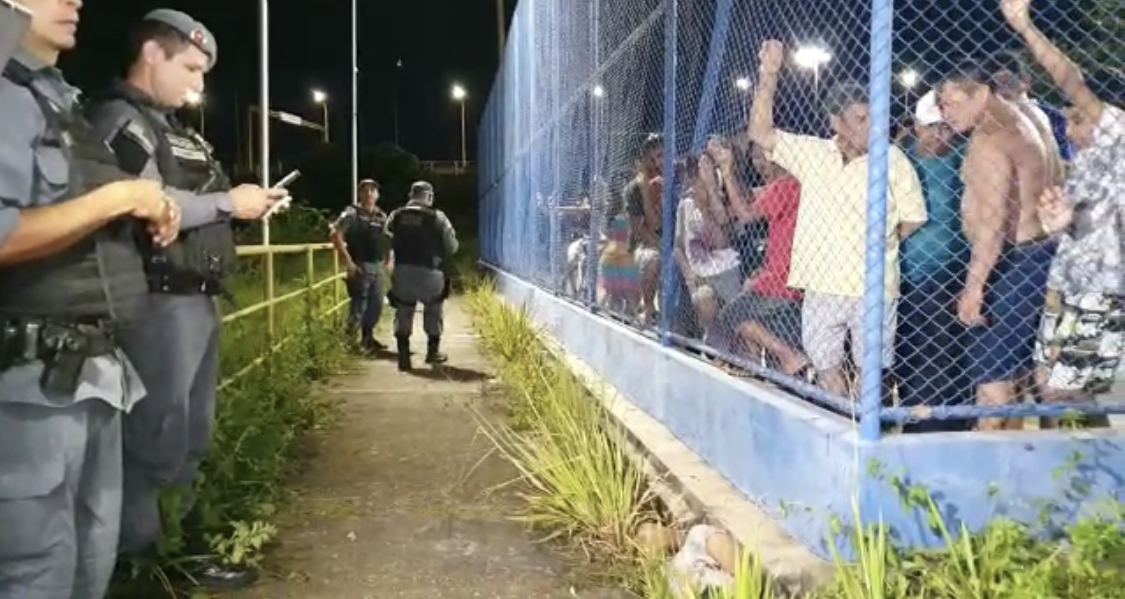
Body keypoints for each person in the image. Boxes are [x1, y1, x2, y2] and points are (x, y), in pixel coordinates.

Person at [86, 9, 280, 589]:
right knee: (153, 438)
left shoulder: (180, 132)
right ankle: (140, 563)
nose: (199, 82)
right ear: (153, 54)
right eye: (190, 67)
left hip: (197, 300)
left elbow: (188, 204)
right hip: (155, 302)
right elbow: (143, 199)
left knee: (191, 435)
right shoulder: (122, 123)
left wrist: (242, 208)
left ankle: (179, 549)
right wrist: (226, 206)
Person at [0, 1, 181, 596]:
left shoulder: (56, 101)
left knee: (85, 567)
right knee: (36, 572)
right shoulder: (7, 94)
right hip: (31, 388)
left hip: (91, 374)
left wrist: (144, 204)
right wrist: (118, 198)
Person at [748, 39, 928, 399]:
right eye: (861, 119)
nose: (871, 127)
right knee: (823, 358)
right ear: (836, 121)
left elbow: (913, 219)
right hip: (822, 283)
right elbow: (760, 134)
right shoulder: (814, 153)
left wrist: (877, 242)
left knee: (870, 366)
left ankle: (863, 427)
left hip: (874, 285)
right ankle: (843, 415)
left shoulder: (892, 159)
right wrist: (769, 75)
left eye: (875, 118)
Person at [1001, 0, 1123, 428]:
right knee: (1058, 388)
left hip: (1099, 288)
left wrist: (1024, 26)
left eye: (1076, 118)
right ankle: (1082, 473)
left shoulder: (1116, 133)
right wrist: (1062, 221)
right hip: (1072, 281)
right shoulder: (1090, 159)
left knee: (1061, 389)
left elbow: (1069, 79)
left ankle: (1084, 474)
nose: (1068, 128)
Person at [938, 57, 1057, 431]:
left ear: (983, 93)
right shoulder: (1029, 118)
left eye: (955, 102)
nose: (945, 112)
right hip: (1043, 252)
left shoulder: (989, 138)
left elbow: (992, 222)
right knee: (1031, 372)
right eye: (942, 103)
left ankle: (984, 473)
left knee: (992, 374)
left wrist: (974, 287)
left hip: (1013, 262)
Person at [894, 90, 973, 433]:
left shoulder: (962, 155)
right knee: (912, 347)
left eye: (945, 127)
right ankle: (920, 418)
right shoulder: (900, 158)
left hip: (950, 268)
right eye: (931, 128)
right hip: (907, 270)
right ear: (916, 126)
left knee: (940, 348)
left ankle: (938, 425)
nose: (940, 135)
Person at [385, 181, 459, 371]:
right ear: (428, 196)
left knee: (403, 311)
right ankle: (432, 353)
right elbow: (452, 246)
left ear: (411, 195)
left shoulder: (396, 214)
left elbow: (386, 237)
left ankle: (403, 357)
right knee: (434, 310)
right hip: (429, 272)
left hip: (402, 272)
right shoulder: (438, 217)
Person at [330, 179, 391, 352]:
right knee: (359, 305)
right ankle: (349, 342)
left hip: (378, 265)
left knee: (377, 304)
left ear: (377, 194)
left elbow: (387, 239)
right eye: (365, 190)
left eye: (373, 190)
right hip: (360, 264)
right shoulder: (352, 213)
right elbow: (336, 233)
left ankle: (367, 338)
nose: (369, 193)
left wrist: (389, 257)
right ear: (360, 194)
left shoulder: (381, 215)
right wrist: (347, 260)